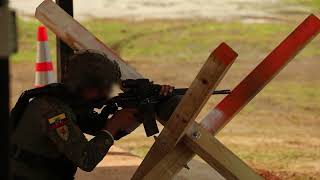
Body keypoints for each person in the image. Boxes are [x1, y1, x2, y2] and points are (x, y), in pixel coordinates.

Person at [10, 50, 181, 180]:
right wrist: (113, 124)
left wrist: (142, 109)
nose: (106, 95)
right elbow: (87, 159)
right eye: (103, 89)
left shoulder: (68, 101)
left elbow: (106, 131)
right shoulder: (52, 111)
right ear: (88, 88)